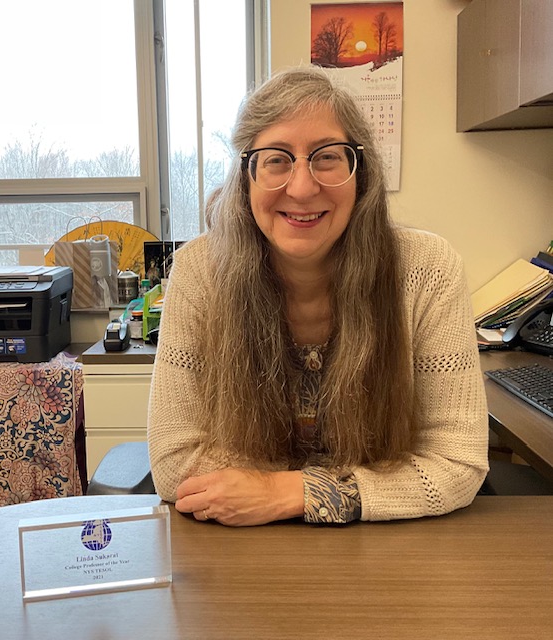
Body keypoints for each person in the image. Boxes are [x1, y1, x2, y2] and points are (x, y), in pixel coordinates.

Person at [147, 67, 488, 527]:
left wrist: (286, 492)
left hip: (388, 554)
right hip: (242, 556)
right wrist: (375, 486)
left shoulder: (427, 270)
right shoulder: (199, 271)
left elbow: (458, 463)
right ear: (246, 176)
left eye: (327, 157)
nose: (303, 188)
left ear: (359, 173)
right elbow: (174, 462)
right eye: (276, 159)